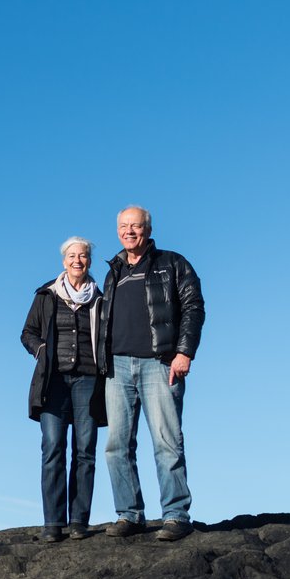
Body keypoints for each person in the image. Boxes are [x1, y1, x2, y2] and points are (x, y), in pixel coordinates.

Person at [98, 204, 205, 540]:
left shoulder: (172, 263)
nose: (129, 231)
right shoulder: (113, 270)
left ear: (148, 229)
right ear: (117, 230)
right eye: (123, 226)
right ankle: (129, 515)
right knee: (117, 445)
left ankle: (176, 515)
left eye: (136, 226)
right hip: (117, 366)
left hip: (160, 364)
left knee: (166, 442)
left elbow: (193, 306)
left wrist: (184, 352)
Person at [21, 236, 108, 542]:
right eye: (72, 256)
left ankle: (79, 521)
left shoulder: (101, 297)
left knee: (85, 450)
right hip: (53, 381)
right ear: (64, 261)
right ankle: (53, 523)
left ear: (89, 262)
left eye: (83, 256)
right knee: (53, 448)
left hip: (88, 380)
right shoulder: (46, 295)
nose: (77, 261)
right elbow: (27, 332)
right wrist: (41, 348)